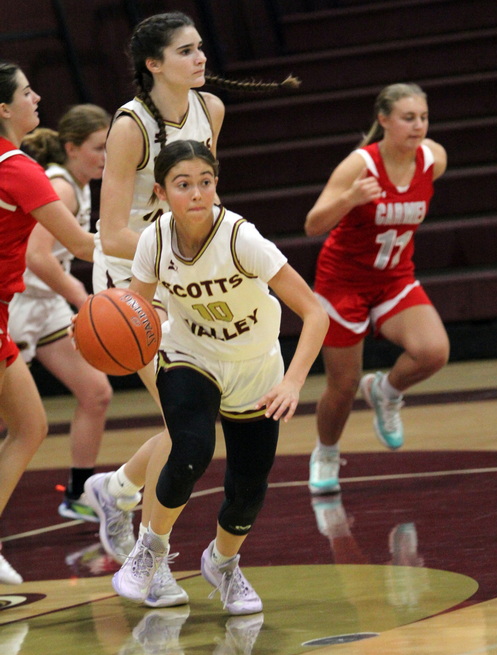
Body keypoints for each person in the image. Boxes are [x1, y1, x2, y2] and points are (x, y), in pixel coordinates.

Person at [84, 11, 300, 573]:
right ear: (153, 64)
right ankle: (149, 560)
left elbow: (202, 197)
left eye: (200, 47)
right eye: (186, 51)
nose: (201, 57)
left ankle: (118, 489)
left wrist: (216, 251)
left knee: (188, 426)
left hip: (185, 268)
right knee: (185, 430)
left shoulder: (211, 109)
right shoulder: (131, 127)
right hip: (133, 274)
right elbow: (112, 232)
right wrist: (175, 253)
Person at [110, 139, 328, 613]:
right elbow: (138, 312)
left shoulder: (242, 240)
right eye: (183, 184)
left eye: (205, 182)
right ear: (161, 193)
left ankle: (223, 563)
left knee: (249, 487)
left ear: (216, 184)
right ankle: (150, 547)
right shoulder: (154, 240)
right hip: (191, 355)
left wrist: (293, 382)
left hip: (255, 365)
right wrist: (98, 326)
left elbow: (315, 313)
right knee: (190, 448)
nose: (196, 193)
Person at [305, 82, 449, 495]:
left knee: (434, 352)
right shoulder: (359, 165)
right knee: (342, 387)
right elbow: (313, 224)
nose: (418, 126)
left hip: (393, 278)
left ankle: (386, 392)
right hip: (343, 282)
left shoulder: (433, 159)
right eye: (408, 118)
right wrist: (349, 198)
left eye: (423, 117)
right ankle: (326, 453)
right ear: (383, 119)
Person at [0, 61, 95, 583]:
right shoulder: (19, 168)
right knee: (26, 427)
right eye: (27, 92)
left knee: (31, 426)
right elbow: (81, 246)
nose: (36, 97)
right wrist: (161, 245)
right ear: (4, 108)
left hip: (5, 313)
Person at [9, 105, 113, 523]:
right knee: (18, 420)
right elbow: (35, 257)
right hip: (18, 302)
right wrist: (82, 298)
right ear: (71, 148)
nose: (106, 156)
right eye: (98, 147)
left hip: (46, 303)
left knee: (96, 392)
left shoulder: (80, 186)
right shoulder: (60, 186)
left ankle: (78, 493)